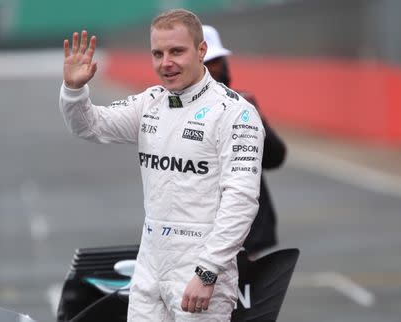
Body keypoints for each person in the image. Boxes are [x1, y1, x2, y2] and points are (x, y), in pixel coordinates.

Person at [59, 9, 265, 322]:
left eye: (176, 51)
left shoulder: (236, 114)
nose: (165, 63)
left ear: (201, 51)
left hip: (201, 267)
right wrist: (74, 91)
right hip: (150, 264)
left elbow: (241, 202)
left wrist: (207, 272)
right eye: (158, 53)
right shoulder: (150, 102)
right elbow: (91, 126)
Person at [202, 25, 287, 259]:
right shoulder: (176, 112)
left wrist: (256, 120)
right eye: (207, 63)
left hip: (249, 231)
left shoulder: (243, 105)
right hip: (202, 233)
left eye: (217, 61)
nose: (214, 69)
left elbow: (275, 157)